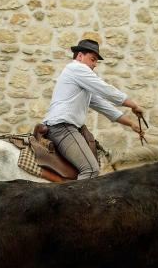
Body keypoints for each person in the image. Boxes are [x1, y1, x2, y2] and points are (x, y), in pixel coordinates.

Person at [42, 39, 146, 179]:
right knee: (91, 170)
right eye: (92, 59)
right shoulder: (77, 68)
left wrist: (131, 124)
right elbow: (107, 91)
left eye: (96, 61)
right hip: (62, 128)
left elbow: (105, 107)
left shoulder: (80, 81)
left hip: (61, 128)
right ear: (79, 56)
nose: (94, 65)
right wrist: (133, 105)